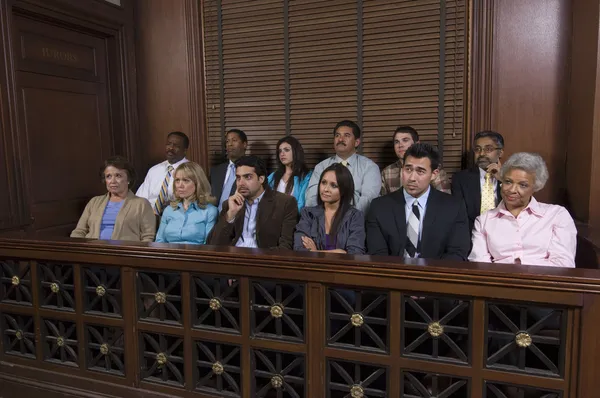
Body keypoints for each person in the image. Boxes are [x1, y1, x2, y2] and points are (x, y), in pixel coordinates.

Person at [469, 152, 577, 267]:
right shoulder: (484, 221)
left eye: (523, 185)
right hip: (499, 283)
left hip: (544, 283)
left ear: (535, 187)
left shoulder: (557, 215)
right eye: (508, 182)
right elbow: (480, 266)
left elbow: (563, 264)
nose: (512, 190)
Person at [366, 143, 470, 260]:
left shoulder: (453, 207)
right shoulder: (379, 207)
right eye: (408, 169)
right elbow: (377, 254)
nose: (412, 178)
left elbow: (457, 253)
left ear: (434, 174)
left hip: (436, 274)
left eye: (420, 171)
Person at [207, 155, 298, 249]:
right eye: (238, 178)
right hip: (234, 259)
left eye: (248, 177)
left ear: (261, 179)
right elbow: (213, 244)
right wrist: (230, 215)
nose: (241, 183)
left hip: (263, 260)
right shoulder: (230, 204)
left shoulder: (285, 203)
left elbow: (286, 247)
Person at [71, 156, 155, 241]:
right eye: (108, 176)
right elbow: (79, 231)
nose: (113, 181)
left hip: (125, 252)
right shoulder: (94, 202)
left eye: (118, 176)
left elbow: (148, 237)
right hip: (93, 251)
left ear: (128, 179)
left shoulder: (142, 204)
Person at [305, 120, 381, 214]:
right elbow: (311, 199)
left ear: (357, 142)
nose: (340, 139)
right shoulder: (321, 167)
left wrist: (347, 221)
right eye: (337, 135)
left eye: (346, 135)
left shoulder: (369, 167)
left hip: (356, 224)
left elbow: (368, 201)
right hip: (323, 223)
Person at [294, 163, 365, 254]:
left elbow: (355, 253)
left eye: (333, 185)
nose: (326, 189)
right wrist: (340, 252)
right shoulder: (308, 214)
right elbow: (299, 248)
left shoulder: (355, 216)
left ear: (344, 189)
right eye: (323, 183)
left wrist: (316, 252)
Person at [452, 130, 504, 231]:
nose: (481, 154)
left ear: (500, 152)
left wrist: (503, 180)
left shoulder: (510, 178)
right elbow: (459, 216)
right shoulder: (460, 179)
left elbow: (517, 208)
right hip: (472, 236)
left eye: (488, 149)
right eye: (477, 149)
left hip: (503, 234)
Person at [155, 162, 218, 245]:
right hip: (169, 255)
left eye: (186, 180)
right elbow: (159, 242)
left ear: (198, 183)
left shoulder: (210, 211)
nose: (180, 185)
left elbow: (209, 244)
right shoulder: (169, 210)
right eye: (177, 180)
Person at [380, 125, 451, 195]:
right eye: (396, 142)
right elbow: (383, 202)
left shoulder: (432, 168)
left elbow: (444, 200)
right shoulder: (387, 172)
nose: (400, 145)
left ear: (416, 143)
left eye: (405, 140)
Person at [136, 131, 190, 216]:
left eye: (176, 146)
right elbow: (140, 199)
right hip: (148, 217)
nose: (171, 148)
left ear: (185, 150)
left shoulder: (191, 171)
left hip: (176, 216)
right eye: (169, 144)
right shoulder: (154, 170)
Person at [267, 136, 312, 211]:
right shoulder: (273, 176)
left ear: (296, 152)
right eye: (280, 151)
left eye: (286, 150)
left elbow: (303, 204)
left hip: (294, 219)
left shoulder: (306, 176)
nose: (282, 154)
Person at [211, 129, 248, 211]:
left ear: (244, 144)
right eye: (227, 141)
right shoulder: (216, 171)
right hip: (214, 218)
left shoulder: (251, 170)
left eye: (234, 140)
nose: (230, 144)